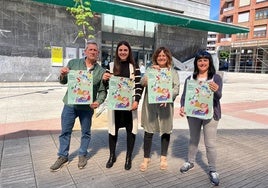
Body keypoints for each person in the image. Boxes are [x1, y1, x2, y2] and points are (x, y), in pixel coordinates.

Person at [50, 40, 107, 172]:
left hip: (87, 108)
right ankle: (63, 156)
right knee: (65, 131)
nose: (93, 52)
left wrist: (98, 102)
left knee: (86, 132)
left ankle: (82, 154)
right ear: (85, 51)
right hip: (70, 104)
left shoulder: (101, 71)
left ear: (98, 54)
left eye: (95, 50)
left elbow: (102, 91)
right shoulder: (73, 63)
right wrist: (63, 74)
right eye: (90, 49)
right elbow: (63, 82)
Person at [179, 50, 223, 186]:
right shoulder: (190, 79)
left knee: (210, 143)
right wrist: (182, 106)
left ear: (209, 62)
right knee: (193, 139)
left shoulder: (216, 78)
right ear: (196, 63)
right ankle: (190, 162)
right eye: (199, 60)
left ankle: (213, 170)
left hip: (211, 114)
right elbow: (185, 97)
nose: (202, 62)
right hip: (193, 114)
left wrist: (216, 90)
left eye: (205, 60)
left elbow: (219, 96)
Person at [102, 41, 143, 170]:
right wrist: (104, 79)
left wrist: (136, 101)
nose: (123, 52)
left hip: (130, 106)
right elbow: (107, 86)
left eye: (125, 50)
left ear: (129, 51)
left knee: (131, 131)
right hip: (115, 106)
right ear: (117, 51)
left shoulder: (134, 67)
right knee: (112, 131)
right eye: (120, 50)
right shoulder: (111, 65)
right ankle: (112, 155)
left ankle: (128, 157)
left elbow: (138, 85)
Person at [139, 47, 180, 171]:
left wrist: (168, 97)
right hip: (150, 105)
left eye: (164, 55)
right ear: (156, 58)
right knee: (148, 131)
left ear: (168, 57)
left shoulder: (173, 72)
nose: (161, 58)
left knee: (166, 130)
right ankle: (146, 158)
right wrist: (151, 73)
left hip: (166, 105)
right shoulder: (150, 69)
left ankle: (163, 157)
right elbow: (142, 82)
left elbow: (176, 88)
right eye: (159, 56)